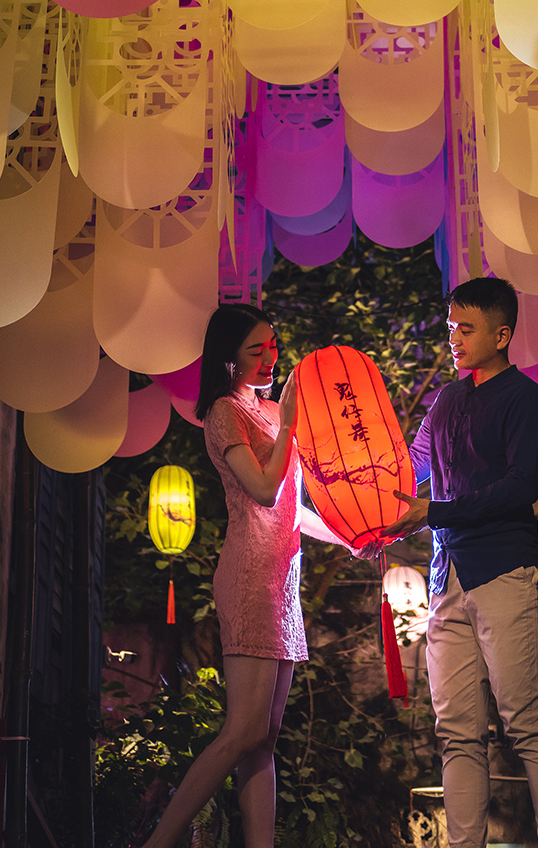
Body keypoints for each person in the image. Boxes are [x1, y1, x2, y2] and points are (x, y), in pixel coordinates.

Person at [383, 276, 538, 848]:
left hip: (506, 574)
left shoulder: (525, 399)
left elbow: (521, 487)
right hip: (447, 579)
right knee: (457, 733)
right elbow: (411, 465)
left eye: (465, 329)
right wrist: (358, 496)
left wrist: (434, 510)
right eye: (450, 329)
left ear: (502, 333)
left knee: (527, 724)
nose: (454, 339)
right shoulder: (445, 399)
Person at [140, 303, 337, 848]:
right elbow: (264, 490)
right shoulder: (226, 413)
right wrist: (292, 424)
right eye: (257, 350)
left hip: (283, 577)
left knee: (265, 739)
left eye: (273, 344)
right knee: (244, 730)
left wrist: (352, 538)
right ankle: (160, 842)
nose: (271, 357)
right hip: (250, 572)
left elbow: (293, 507)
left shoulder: (272, 412)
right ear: (229, 360)